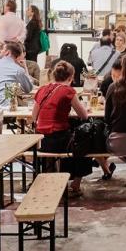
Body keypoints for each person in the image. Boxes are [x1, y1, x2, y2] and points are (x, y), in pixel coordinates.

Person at [31, 61, 94, 198]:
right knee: (85, 143)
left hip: (41, 141)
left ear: (53, 75)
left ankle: (50, 176)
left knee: (71, 138)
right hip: (58, 141)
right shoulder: (68, 91)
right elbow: (83, 116)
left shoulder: (42, 89)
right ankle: (76, 184)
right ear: (71, 77)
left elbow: (34, 116)